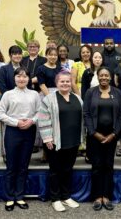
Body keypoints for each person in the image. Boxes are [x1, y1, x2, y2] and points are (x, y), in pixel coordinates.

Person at [35, 72, 83, 212]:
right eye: (62, 81)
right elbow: (43, 118)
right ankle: (55, 198)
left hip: (73, 141)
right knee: (55, 170)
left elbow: (82, 119)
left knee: (68, 169)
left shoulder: (77, 99)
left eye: (68, 81)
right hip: (54, 142)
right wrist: (47, 138)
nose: (65, 84)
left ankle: (66, 196)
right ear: (57, 83)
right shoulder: (49, 99)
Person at [0, 67, 41, 211]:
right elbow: (0, 113)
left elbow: (40, 112)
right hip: (13, 131)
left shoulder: (34, 94)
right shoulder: (8, 94)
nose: (22, 79)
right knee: (11, 165)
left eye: (25, 76)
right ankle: (10, 197)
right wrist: (16, 122)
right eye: (19, 76)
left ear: (29, 79)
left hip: (29, 131)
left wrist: (31, 121)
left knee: (23, 165)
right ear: (14, 78)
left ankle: (20, 196)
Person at [83, 67, 121, 211]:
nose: (104, 78)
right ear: (98, 77)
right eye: (101, 75)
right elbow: (86, 114)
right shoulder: (90, 92)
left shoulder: (117, 93)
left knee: (108, 165)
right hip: (95, 135)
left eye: (107, 75)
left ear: (110, 77)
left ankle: (106, 196)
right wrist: (94, 133)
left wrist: (114, 134)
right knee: (97, 166)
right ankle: (96, 196)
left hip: (111, 136)